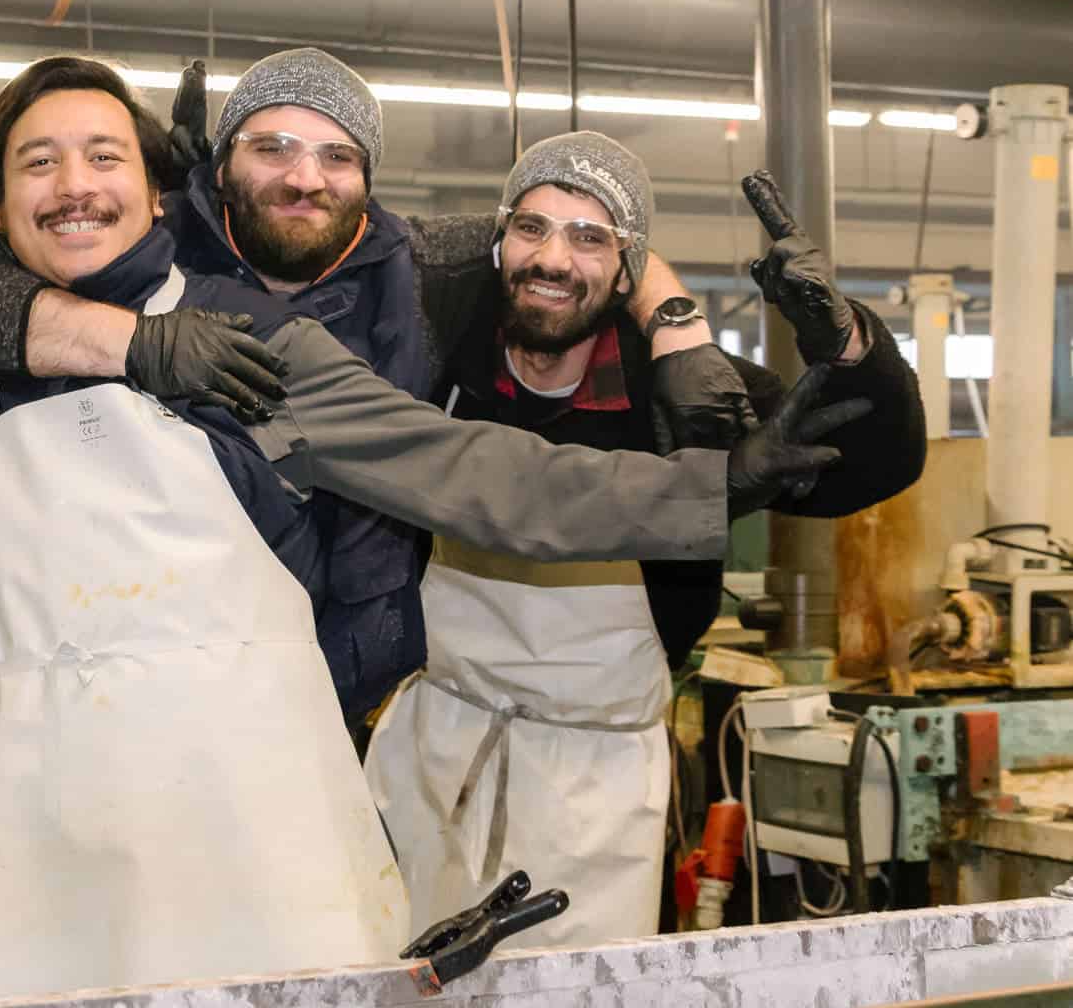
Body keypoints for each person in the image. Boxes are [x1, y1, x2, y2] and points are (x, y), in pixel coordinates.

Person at [0, 59, 853, 1001]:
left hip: (254, 837)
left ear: (158, 194)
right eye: (36, 162)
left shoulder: (259, 352)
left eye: (104, 157)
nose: (72, 184)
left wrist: (718, 483)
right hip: (33, 852)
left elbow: (485, 475)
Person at [0, 47, 724, 733]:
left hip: (349, 689)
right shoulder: (154, 245)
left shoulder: (423, 268)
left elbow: (584, 235)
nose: (305, 177)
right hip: (139, 684)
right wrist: (135, 338)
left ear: (367, 179)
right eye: (271, 146)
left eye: (337, 155)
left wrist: (678, 328)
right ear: (221, 164)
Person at [362, 131, 926, 952]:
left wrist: (847, 345)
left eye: (590, 238)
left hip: (598, 785)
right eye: (532, 228)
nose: (553, 259)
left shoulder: (683, 397)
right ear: (500, 242)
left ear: (627, 271)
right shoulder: (435, 358)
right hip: (435, 752)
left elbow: (875, 467)